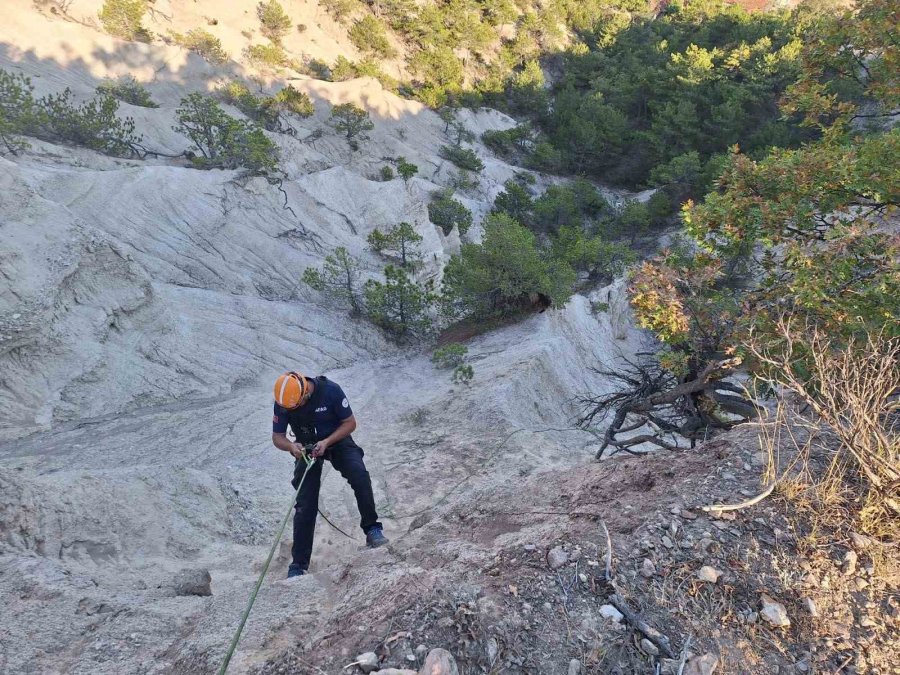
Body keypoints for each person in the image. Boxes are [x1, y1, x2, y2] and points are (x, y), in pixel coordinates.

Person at [271, 371, 388, 578]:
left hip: (336, 439)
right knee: (305, 503)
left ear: (305, 392)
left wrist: (327, 442)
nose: (294, 410)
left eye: (296, 406)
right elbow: (278, 437)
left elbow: (350, 423)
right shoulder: (284, 401)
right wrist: (291, 446)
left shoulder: (331, 391)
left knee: (360, 476)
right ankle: (298, 564)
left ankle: (372, 529)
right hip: (306, 447)